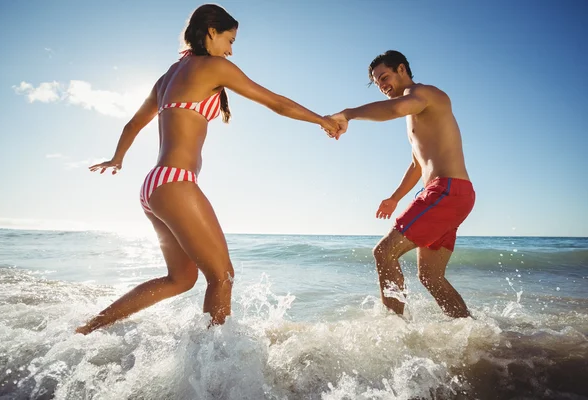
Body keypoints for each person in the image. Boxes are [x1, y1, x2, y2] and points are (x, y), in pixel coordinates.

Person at [76, 4, 339, 335]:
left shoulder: (168, 76)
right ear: (211, 32)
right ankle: (214, 366)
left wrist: (118, 159)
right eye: (229, 39)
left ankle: (88, 329)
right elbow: (277, 103)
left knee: (181, 279)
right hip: (175, 183)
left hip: (153, 186)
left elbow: (133, 124)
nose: (230, 50)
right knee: (222, 276)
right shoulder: (213, 67)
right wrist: (322, 120)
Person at [327, 50, 474, 318]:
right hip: (451, 194)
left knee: (384, 253)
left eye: (384, 77)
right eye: (377, 82)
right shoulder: (415, 113)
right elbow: (417, 165)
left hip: (446, 190)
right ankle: (476, 335)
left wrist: (347, 114)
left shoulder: (423, 95)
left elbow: (394, 109)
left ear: (402, 69)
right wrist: (395, 198)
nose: (382, 86)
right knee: (430, 276)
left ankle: (393, 331)